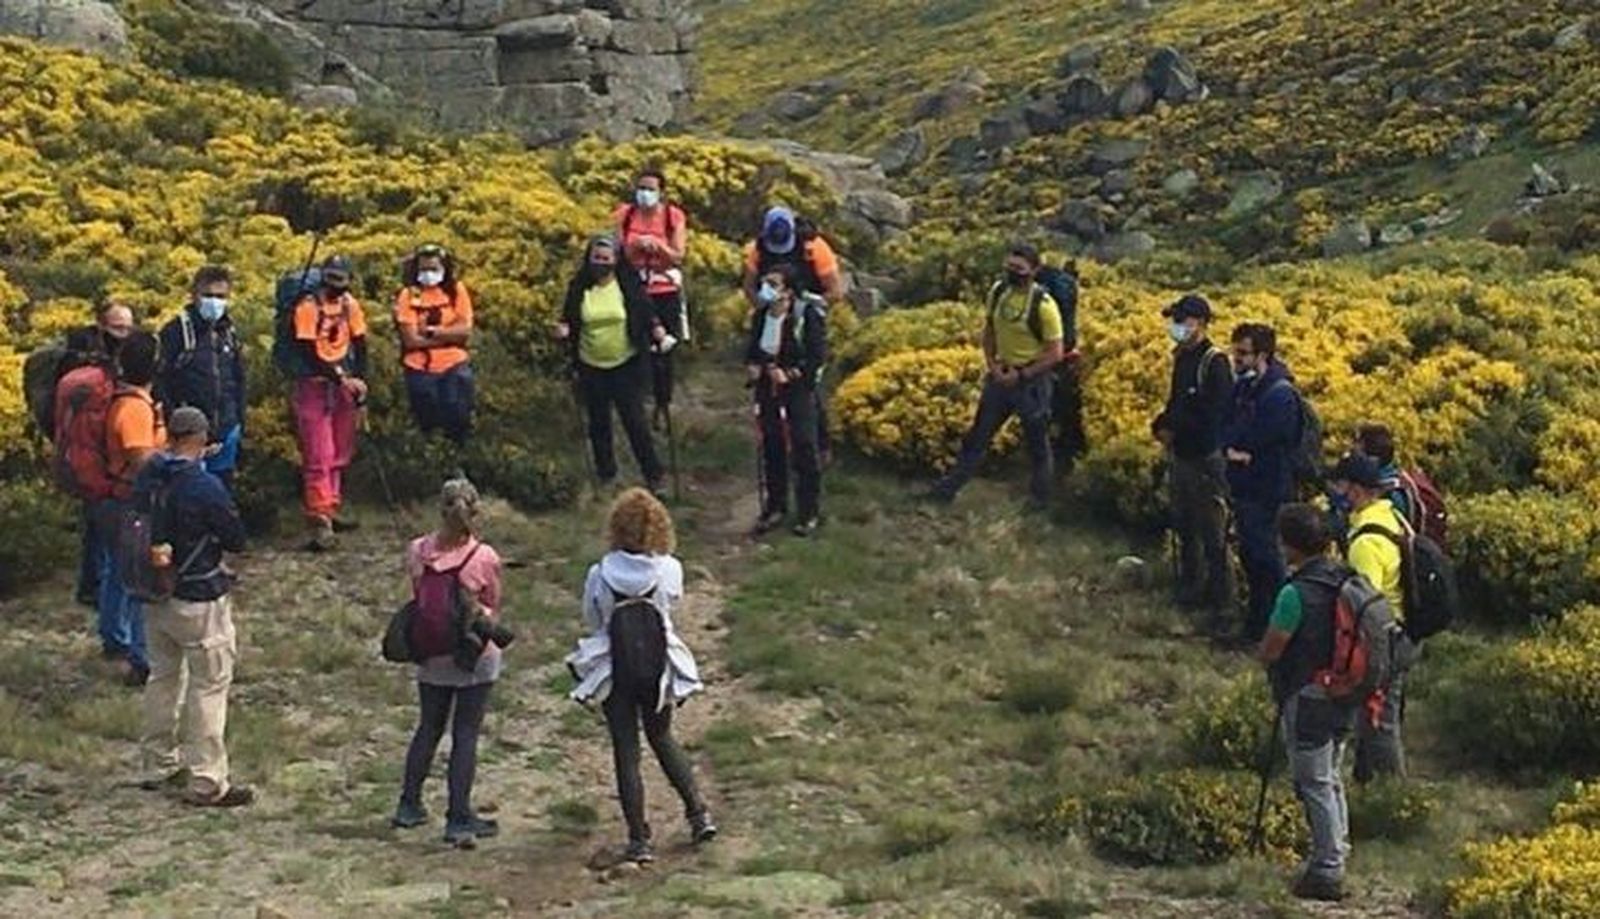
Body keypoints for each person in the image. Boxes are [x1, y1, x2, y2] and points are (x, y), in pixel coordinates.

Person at [566, 488, 717, 864]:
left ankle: (638, 838)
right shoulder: (668, 569)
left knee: (626, 750)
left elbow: (593, 618)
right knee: (662, 737)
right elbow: (675, 602)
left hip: (615, 668)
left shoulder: (599, 574)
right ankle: (698, 814)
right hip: (657, 667)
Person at [138, 407, 253, 808]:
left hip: (155, 593)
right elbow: (235, 537)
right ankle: (207, 780)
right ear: (201, 439)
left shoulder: (148, 476)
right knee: (210, 685)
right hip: (199, 595)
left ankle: (157, 764)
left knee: (163, 678)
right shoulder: (203, 487)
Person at [393, 478, 506, 849]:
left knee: (428, 727)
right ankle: (458, 816)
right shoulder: (484, 557)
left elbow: (417, 596)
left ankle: (409, 803)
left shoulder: (417, 551)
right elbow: (492, 600)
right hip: (473, 654)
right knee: (466, 734)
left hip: (431, 652)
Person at [1257, 503, 1359, 903]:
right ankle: (1339, 849)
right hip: (1346, 689)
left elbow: (1273, 647)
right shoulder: (1346, 579)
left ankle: (1328, 868)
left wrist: (1262, 657)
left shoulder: (1295, 593)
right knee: (1331, 774)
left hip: (1308, 692)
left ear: (1290, 545)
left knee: (1313, 780)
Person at [929, 244, 1065, 508]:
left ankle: (1039, 500)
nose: (1013, 274)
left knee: (1037, 444)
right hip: (1000, 376)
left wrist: (1023, 374)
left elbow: (1055, 352)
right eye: (1009, 268)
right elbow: (990, 329)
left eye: (1020, 270)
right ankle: (946, 490)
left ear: (1034, 271)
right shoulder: (999, 292)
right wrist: (993, 365)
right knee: (978, 436)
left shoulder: (1045, 307)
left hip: (1031, 383)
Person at [556, 236, 667, 495]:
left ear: (616, 260)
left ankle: (654, 475)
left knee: (635, 422)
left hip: (625, 363)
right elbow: (569, 317)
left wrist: (657, 329)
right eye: (597, 258)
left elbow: (645, 310)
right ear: (589, 259)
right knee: (598, 424)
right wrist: (564, 330)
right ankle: (606, 476)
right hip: (590, 364)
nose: (601, 263)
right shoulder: (579, 287)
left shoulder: (627, 284)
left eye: (606, 258)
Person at [1327, 452, 1412, 783]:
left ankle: (1393, 793)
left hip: (1386, 638)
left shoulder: (1365, 541)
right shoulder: (1389, 516)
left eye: (1341, 485)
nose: (1336, 491)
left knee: (1381, 720)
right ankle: (1367, 780)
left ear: (1358, 490)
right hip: (1403, 631)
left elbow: (1367, 606)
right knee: (1376, 715)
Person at [1151, 294, 1235, 619]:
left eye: (1182, 320)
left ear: (1200, 322)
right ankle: (1190, 588)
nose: (1176, 326)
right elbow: (1177, 404)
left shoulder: (1214, 362)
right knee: (1184, 526)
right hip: (1182, 456)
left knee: (1212, 532)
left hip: (1205, 458)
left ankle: (1222, 601)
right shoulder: (1182, 357)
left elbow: (1215, 415)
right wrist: (1160, 425)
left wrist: (1178, 430)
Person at [742, 206, 843, 462]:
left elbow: (835, 290)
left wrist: (809, 306)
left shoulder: (814, 248)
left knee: (808, 384)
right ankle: (774, 442)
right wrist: (763, 309)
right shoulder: (759, 248)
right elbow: (749, 285)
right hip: (772, 316)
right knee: (768, 375)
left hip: (806, 318)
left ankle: (819, 444)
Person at [1222, 323, 1301, 642]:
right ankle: (1255, 627)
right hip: (1246, 487)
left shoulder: (1279, 394)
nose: (1236, 359)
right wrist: (1235, 449)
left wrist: (1243, 449)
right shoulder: (1244, 387)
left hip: (1269, 492)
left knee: (1268, 562)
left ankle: (1274, 632)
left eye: (1243, 353)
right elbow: (1227, 428)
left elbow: (1263, 439)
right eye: (1235, 351)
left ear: (1263, 355)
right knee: (1252, 560)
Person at [99, 330, 166, 686]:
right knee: (139, 577)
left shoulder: (125, 399)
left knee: (118, 571)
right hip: (131, 501)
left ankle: (116, 639)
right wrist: (178, 459)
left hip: (117, 499)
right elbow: (142, 460)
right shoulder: (134, 408)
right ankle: (140, 657)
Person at [291, 255, 369, 551]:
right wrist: (340, 378)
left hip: (345, 386)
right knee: (318, 453)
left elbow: (361, 344)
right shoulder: (308, 307)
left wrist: (360, 381)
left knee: (340, 449)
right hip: (314, 386)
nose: (335, 285)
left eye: (341, 279)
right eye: (331, 279)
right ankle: (318, 518)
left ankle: (332, 506)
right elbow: (308, 350)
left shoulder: (350, 306)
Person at [745, 263, 828, 536]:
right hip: (767, 389)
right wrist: (754, 366)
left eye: (774, 284)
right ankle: (775, 506)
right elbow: (752, 349)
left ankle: (808, 511)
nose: (766, 289)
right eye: (764, 283)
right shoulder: (760, 315)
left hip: (798, 391)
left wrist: (791, 374)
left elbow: (817, 355)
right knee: (772, 446)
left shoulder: (806, 315)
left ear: (789, 291)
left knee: (804, 446)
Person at [63, 302, 137, 607]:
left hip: (103, 460)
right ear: (101, 326)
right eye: (118, 327)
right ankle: (96, 591)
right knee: (103, 531)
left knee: (96, 529)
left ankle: (91, 587)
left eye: (128, 327)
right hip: (94, 463)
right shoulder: (87, 370)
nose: (124, 334)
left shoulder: (115, 361)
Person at [157, 266, 246, 491]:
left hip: (226, 429)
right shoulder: (177, 331)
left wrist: (239, 420)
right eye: (208, 295)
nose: (214, 302)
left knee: (221, 493)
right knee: (187, 494)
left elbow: (238, 378)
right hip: (189, 433)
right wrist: (175, 422)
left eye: (220, 297)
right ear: (194, 294)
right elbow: (160, 381)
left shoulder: (229, 331)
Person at [614, 168, 689, 426]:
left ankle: (662, 403)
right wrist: (633, 247)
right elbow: (616, 249)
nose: (644, 193)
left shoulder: (673, 216)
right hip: (633, 289)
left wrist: (660, 248)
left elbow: (679, 256)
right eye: (641, 188)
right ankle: (635, 402)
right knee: (633, 344)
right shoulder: (624, 214)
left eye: (650, 189)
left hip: (663, 291)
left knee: (663, 349)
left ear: (661, 192)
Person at [395, 244, 475, 445]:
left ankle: (458, 463)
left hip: (454, 365)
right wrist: (449, 336)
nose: (428, 274)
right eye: (423, 269)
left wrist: (432, 332)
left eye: (433, 269)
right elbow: (410, 340)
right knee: (427, 422)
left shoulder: (456, 291)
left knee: (457, 417)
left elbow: (464, 331)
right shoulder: (408, 295)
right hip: (419, 368)